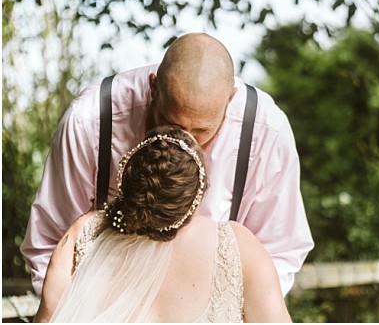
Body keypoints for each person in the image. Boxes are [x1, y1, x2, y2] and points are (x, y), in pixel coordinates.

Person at [21, 33, 314, 297]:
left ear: (230, 101)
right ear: (153, 87)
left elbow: (280, 251)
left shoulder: (266, 132)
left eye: (202, 132)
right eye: (171, 122)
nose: (185, 142)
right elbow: (50, 242)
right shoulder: (89, 121)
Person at [33, 126, 292, 322]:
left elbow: (48, 318)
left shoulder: (84, 233)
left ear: (128, 180)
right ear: (195, 195)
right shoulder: (238, 246)